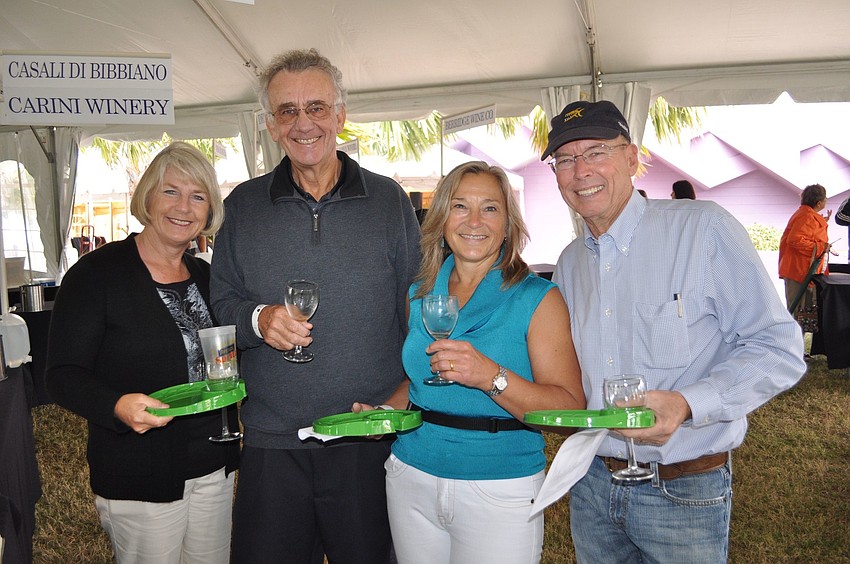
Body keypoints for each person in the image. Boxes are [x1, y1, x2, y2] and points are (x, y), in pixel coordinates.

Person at [541, 100, 806, 563]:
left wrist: (687, 403)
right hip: (593, 483)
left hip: (683, 489)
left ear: (631, 158)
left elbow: (778, 347)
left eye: (597, 151)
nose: (581, 170)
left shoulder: (703, 230)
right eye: (565, 159)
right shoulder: (570, 263)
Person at [209, 48, 421, 564]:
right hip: (273, 442)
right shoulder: (243, 206)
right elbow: (221, 304)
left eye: (317, 108)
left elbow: (416, 309)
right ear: (270, 125)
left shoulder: (389, 202)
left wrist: (402, 399)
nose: (303, 123)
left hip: (367, 436)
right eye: (287, 111)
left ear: (340, 115)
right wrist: (259, 319)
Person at [358, 161, 584, 563]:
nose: (474, 221)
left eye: (490, 208)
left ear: (508, 224)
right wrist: (387, 413)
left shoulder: (537, 298)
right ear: (442, 218)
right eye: (460, 206)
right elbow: (418, 379)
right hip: (412, 475)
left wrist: (490, 377)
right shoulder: (420, 293)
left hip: (500, 486)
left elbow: (569, 410)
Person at [46, 142, 238, 564]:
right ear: (147, 197)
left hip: (214, 465)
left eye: (198, 196)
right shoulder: (96, 275)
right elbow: (62, 374)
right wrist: (116, 406)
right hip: (140, 472)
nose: (183, 207)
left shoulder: (207, 277)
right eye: (171, 191)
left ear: (209, 210)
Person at [778, 184, 832, 317]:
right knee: (799, 312)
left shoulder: (807, 215)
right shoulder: (806, 217)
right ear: (819, 203)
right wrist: (822, 247)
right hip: (799, 271)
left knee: (804, 312)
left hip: (801, 270)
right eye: (825, 199)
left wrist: (820, 220)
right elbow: (795, 240)